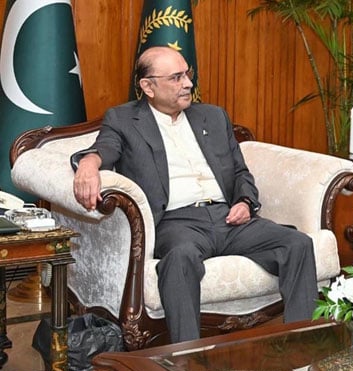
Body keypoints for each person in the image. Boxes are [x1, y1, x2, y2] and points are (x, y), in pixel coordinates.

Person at [71, 46, 318, 343]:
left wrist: (244, 201)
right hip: (176, 222)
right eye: (176, 78)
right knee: (180, 258)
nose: (188, 83)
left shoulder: (212, 117)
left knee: (297, 244)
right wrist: (88, 163)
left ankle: (302, 351)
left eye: (187, 74)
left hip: (229, 218)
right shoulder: (124, 120)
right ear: (148, 86)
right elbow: (106, 148)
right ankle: (186, 361)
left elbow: (240, 172)